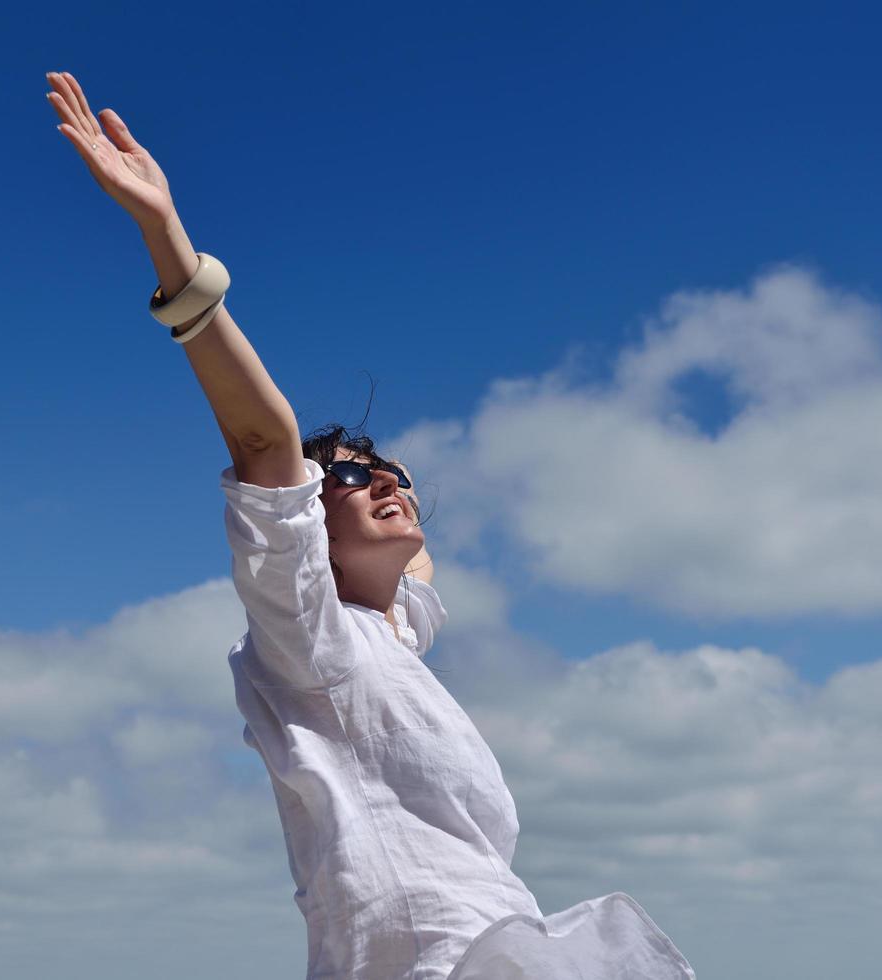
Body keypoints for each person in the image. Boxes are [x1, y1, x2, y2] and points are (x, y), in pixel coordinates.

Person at [45, 70, 695, 980]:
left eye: (393, 473)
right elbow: (262, 438)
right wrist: (167, 238)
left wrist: (386, 488)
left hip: (513, 949)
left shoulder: (393, 631)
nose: (383, 481)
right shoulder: (310, 640)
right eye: (347, 477)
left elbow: (416, 570)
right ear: (308, 521)